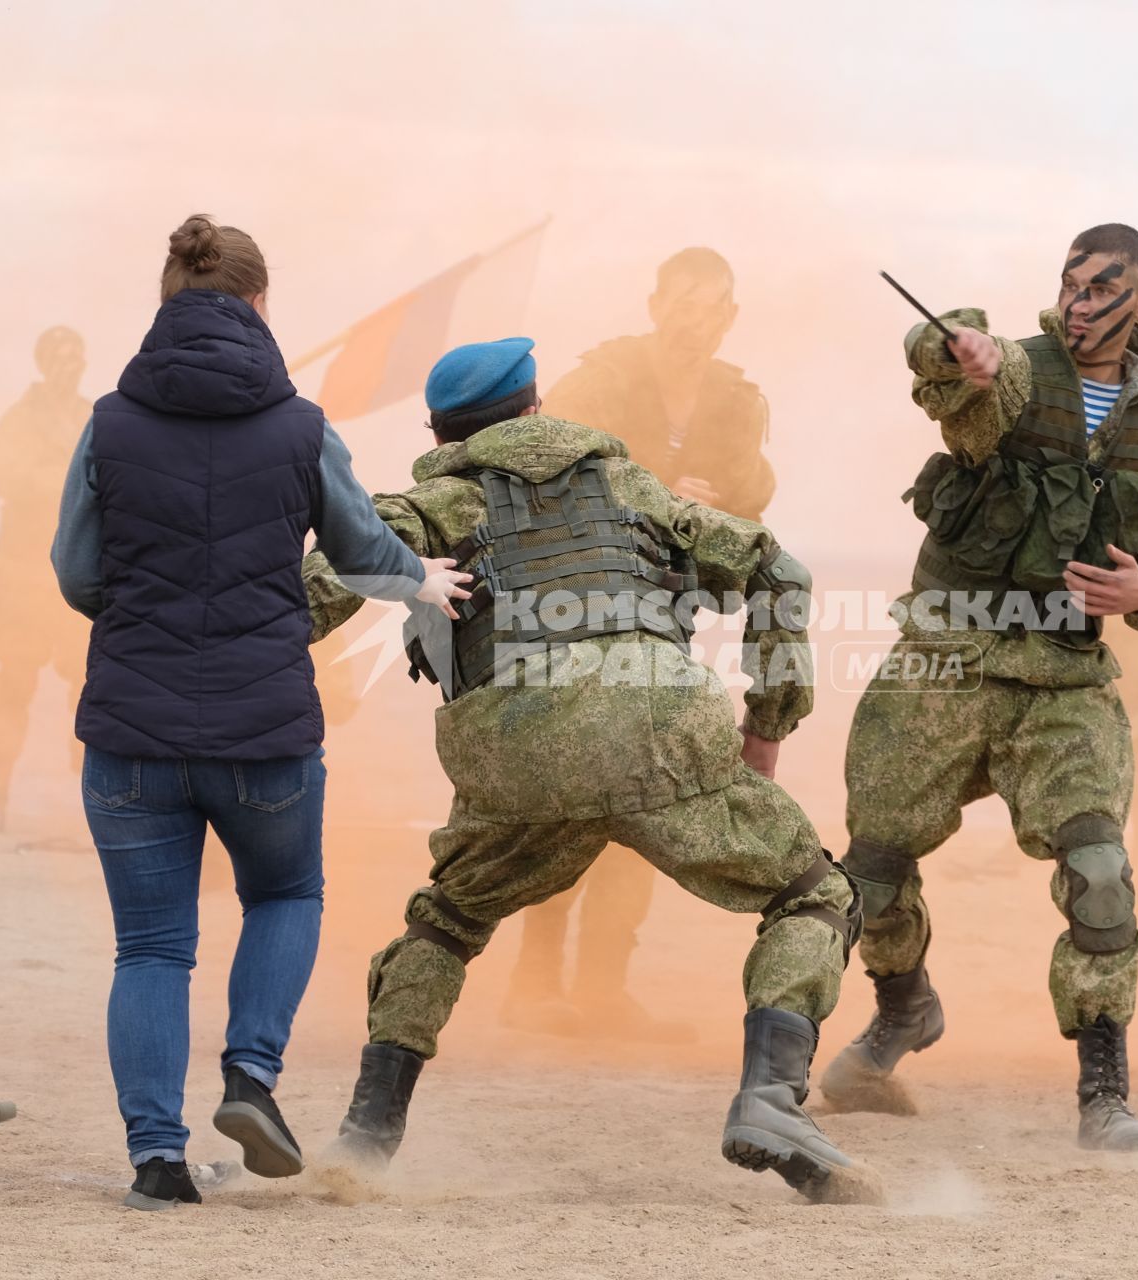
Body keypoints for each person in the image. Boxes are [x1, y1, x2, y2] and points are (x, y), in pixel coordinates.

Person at [301, 337, 874, 1203]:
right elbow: (773, 568)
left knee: (446, 924)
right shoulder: (630, 484)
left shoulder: (432, 503)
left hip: (517, 750)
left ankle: (366, 1137)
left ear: (442, 432)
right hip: (657, 728)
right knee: (815, 897)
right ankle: (769, 1099)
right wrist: (768, 722)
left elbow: (329, 576)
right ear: (537, 408)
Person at [49, 214, 471, 1211]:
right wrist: (424, 582)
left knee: (151, 947)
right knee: (284, 897)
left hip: (132, 734)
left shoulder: (108, 420)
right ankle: (250, 1077)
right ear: (260, 305)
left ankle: (158, 1160)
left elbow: (75, 572)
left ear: (167, 301)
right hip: (264, 729)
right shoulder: (300, 423)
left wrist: (149, 610)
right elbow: (364, 551)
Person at [824, 224, 1138, 1151]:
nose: (1081, 303)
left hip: (1063, 679)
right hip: (946, 662)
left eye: (1103, 288)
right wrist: (970, 354)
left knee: (1101, 874)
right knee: (868, 876)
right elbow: (947, 376)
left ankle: (1104, 1094)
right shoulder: (1021, 373)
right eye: (1070, 285)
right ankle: (902, 1008)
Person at [499, 248, 775, 1042]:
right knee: (570, 793)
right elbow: (541, 469)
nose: (696, 320)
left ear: (729, 316)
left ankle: (604, 986)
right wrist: (654, 487)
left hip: (666, 618)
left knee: (647, 795)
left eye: (713, 306)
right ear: (656, 304)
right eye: (683, 303)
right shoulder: (601, 380)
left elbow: (753, 491)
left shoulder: (735, 399)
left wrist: (727, 500)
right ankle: (534, 978)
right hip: (574, 613)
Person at [0, 326, 92, 830]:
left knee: (92, 692)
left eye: (75, 357)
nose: (68, 365)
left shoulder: (95, 419)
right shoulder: (19, 421)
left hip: (77, 584)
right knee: (13, 687)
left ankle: (96, 810)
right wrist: (63, 478)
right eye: (59, 357)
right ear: (44, 363)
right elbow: (8, 474)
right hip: (23, 582)